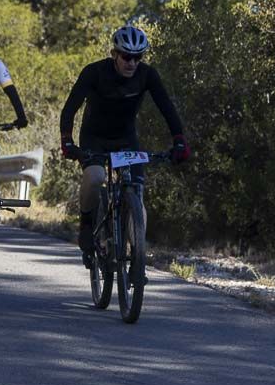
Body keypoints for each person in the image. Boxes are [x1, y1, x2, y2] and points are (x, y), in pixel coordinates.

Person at [59, 26, 191, 265]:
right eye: (127, 57)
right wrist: (67, 140)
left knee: (136, 193)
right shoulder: (94, 72)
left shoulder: (147, 75)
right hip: (94, 137)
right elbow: (69, 109)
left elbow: (167, 108)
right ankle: (87, 224)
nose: (132, 63)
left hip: (126, 139)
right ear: (114, 54)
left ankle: (136, 255)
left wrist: (179, 139)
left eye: (138, 57)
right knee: (96, 176)